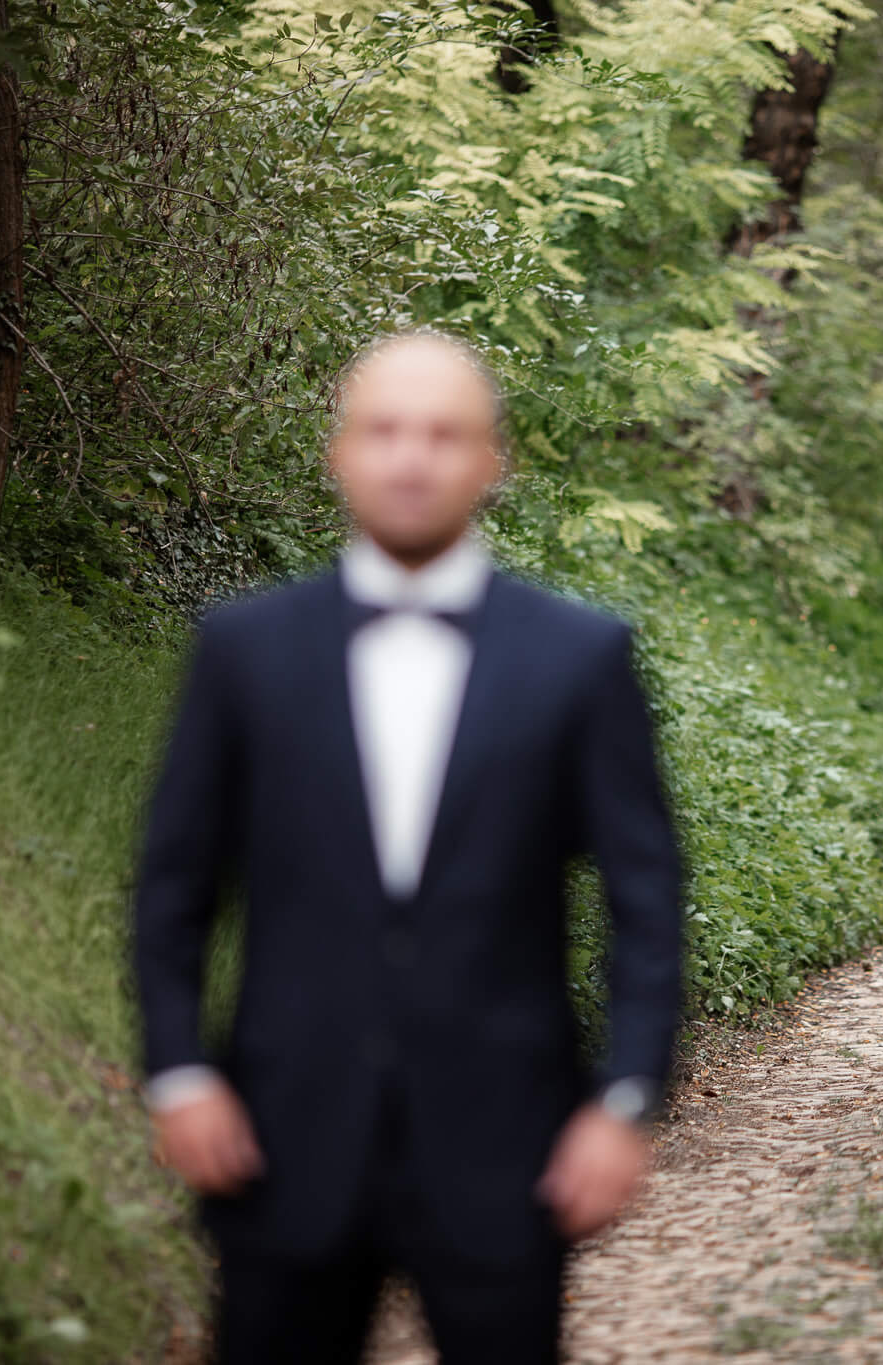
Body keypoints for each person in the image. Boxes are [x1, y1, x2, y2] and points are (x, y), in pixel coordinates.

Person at [131, 330, 684, 1363]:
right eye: (384, 431)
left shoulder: (579, 657)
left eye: (443, 434)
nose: (411, 457)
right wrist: (177, 1073)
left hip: (505, 1148)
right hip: (279, 1138)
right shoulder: (243, 651)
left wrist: (621, 1101)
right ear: (340, 453)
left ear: (490, 462)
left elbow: (645, 902)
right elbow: (172, 889)